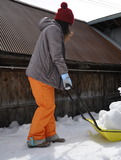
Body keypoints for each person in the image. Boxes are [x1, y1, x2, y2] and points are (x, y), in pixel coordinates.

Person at [26, 2, 74, 148]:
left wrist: (62, 77)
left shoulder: (53, 29)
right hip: (40, 75)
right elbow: (57, 57)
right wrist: (65, 75)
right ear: (66, 23)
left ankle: (50, 134)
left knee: (49, 106)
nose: (69, 29)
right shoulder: (53, 30)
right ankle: (34, 138)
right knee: (45, 106)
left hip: (44, 76)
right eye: (69, 26)